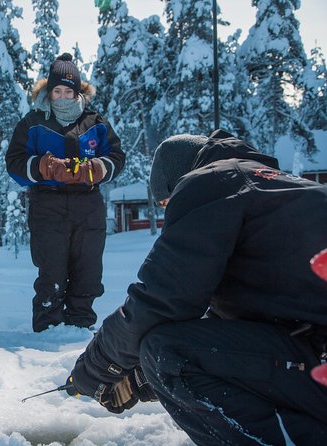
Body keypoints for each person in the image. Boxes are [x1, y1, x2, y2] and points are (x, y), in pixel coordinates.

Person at [67, 130, 327, 445]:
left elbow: (161, 301)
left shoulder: (211, 182)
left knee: (166, 351)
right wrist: (141, 378)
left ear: (179, 182)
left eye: (167, 204)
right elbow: (250, 331)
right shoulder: (273, 187)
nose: (170, 214)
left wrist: (93, 369)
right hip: (313, 355)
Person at [6, 53, 125, 333]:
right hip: (47, 208)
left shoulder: (95, 122)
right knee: (52, 274)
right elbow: (14, 163)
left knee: (88, 273)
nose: (61, 97)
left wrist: (95, 168)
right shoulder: (33, 122)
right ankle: (47, 331)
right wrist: (43, 168)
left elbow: (117, 157)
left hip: (89, 208)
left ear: (77, 92)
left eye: (68, 91)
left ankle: (81, 330)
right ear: (48, 92)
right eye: (56, 91)